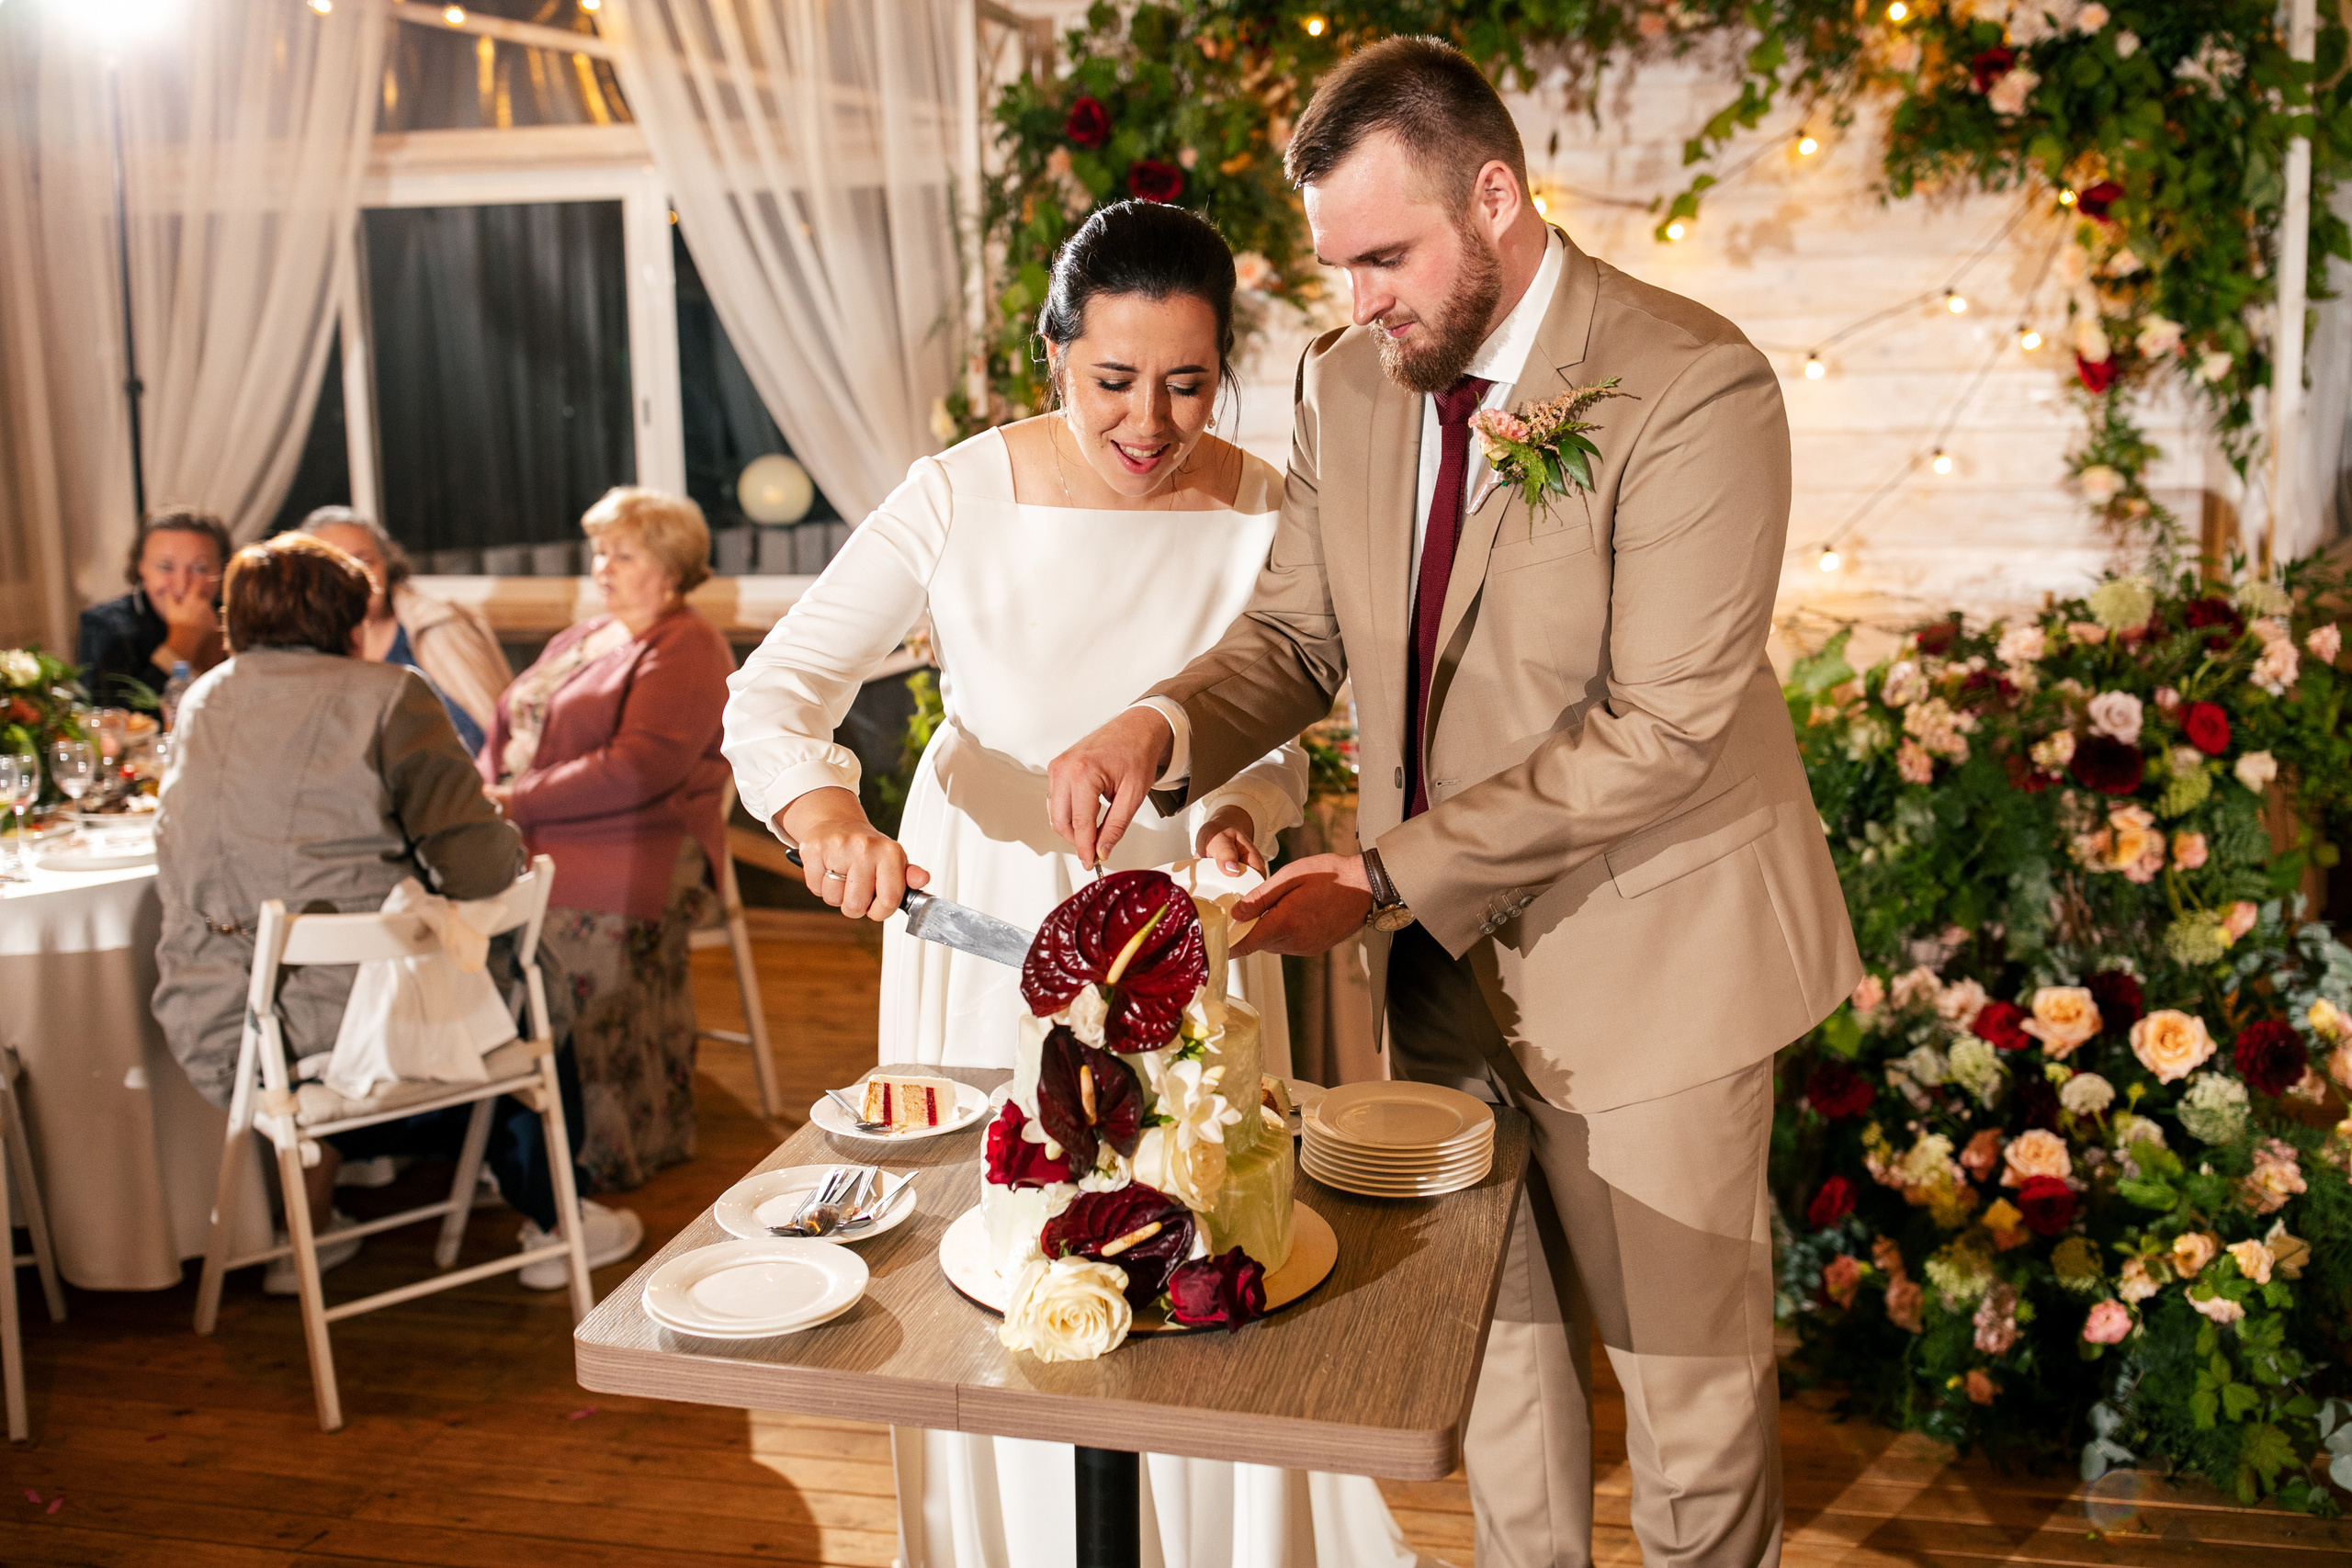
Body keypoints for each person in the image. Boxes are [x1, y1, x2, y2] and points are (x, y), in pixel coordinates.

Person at [1048, 39, 1862, 1568]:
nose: (1357, 302)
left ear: (1495, 196)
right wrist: (1156, 728)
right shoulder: (1349, 383)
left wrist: (1377, 871)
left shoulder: (1693, 385)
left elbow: (1663, 728)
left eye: (1383, 257)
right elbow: (1297, 635)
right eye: (1334, 266)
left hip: (1656, 973)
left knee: (1687, 1413)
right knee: (1497, 1376)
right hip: (1442, 975)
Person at [724, 201, 1426, 1568]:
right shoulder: (956, 490)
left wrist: (1234, 819)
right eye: (1114, 380)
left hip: (1182, 918)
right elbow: (778, 690)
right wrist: (827, 814)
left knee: (1202, 1230)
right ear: (1054, 354)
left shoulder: (1268, 505)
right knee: (997, 1252)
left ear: (1225, 367)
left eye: (1185, 381)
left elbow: (1274, 740)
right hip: (981, 900)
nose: (1149, 422)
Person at [151, 533, 641, 1296]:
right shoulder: (387, 692)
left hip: (225, 1018)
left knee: (417, 954)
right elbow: (480, 866)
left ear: (235, 619)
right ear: (350, 616)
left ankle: (305, 1232)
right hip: (367, 1031)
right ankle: (554, 1220)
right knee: (519, 960)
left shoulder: (203, 698)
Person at [481, 488, 731, 1192]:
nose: (603, 567)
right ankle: (507, 1144)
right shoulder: (583, 636)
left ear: (673, 569)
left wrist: (512, 799)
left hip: (638, 842)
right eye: (599, 552)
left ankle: (604, 1149)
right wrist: (482, 792)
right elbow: (508, 729)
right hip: (540, 833)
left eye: (624, 554)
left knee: (564, 938)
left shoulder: (687, 643)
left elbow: (636, 769)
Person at [300, 506, 514, 754]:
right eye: (334, 565)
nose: (354, 575)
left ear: (387, 565)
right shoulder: (302, 654)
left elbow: (500, 727)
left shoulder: (441, 623)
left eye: (365, 561)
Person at [75, 506, 232, 707]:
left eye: (200, 568)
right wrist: (181, 644)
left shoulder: (239, 620)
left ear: (222, 570)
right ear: (141, 567)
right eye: (166, 567)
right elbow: (110, 718)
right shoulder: (104, 624)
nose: (182, 585)